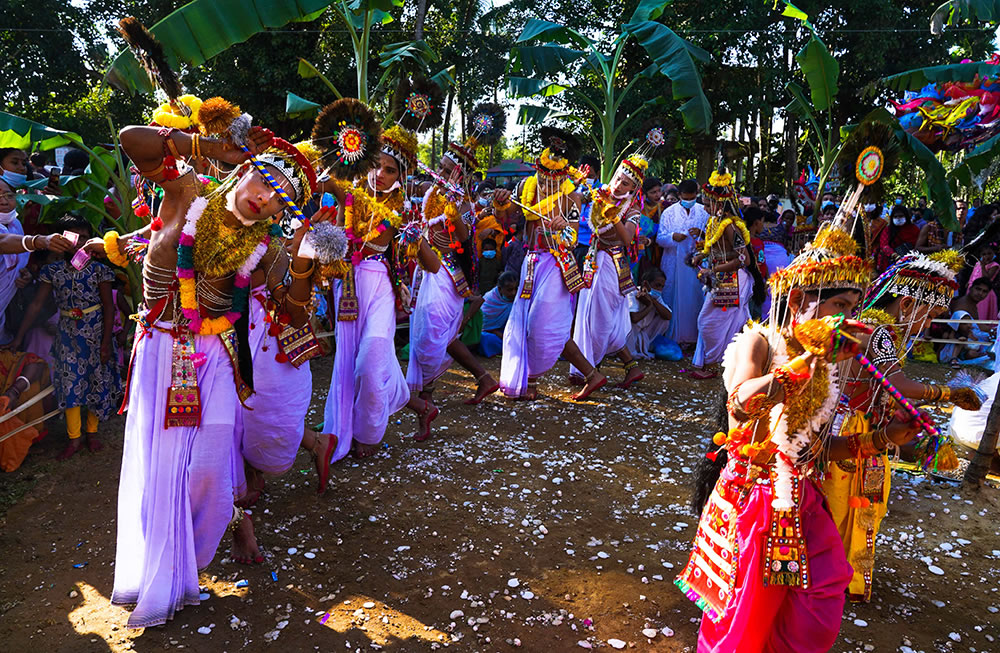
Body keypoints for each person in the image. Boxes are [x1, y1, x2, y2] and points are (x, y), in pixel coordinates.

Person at [84, 109, 317, 628]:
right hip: (162, 354)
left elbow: (296, 311)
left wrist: (304, 264)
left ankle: (206, 546)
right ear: (245, 169)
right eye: (264, 179)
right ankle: (167, 577)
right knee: (162, 472)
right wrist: (207, 147)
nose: (265, 196)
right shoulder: (187, 194)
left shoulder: (269, 248)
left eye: (280, 197)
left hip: (214, 360)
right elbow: (131, 139)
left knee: (209, 470)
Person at [678, 222, 923, 652]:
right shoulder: (759, 340)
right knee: (746, 619)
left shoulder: (829, 367)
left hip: (806, 500)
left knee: (821, 602)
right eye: (840, 305)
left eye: (853, 307)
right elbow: (742, 404)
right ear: (798, 301)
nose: (847, 319)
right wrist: (806, 362)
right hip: (755, 500)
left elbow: (823, 450)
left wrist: (886, 437)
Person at [824, 250, 977, 603]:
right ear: (907, 303)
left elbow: (887, 391)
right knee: (855, 506)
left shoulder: (872, 327)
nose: (929, 324)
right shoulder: (879, 332)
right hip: (857, 431)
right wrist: (949, 392)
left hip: (858, 427)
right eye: (929, 314)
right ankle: (838, 579)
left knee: (855, 505)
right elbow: (901, 387)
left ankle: (837, 576)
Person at [324, 121, 437, 456]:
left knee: (370, 363)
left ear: (400, 176)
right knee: (351, 364)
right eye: (375, 165)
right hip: (345, 284)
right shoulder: (350, 196)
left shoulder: (402, 210)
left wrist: (416, 238)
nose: (381, 174)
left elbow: (429, 265)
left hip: (379, 285)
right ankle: (414, 408)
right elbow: (328, 176)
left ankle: (369, 434)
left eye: (390, 169)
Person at [493, 127, 607, 401]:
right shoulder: (526, 188)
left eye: (552, 180)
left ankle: (530, 378)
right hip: (530, 262)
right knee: (528, 322)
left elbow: (571, 237)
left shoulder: (572, 197)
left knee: (543, 324)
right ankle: (592, 376)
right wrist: (500, 205)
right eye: (543, 179)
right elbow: (508, 219)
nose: (547, 185)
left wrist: (562, 227)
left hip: (557, 266)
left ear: (564, 175)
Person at [405, 120, 501, 441]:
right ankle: (430, 405)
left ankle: (441, 396)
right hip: (425, 268)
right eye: (441, 167)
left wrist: (454, 214)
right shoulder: (432, 191)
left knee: (433, 333)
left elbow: (462, 237)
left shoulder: (463, 201)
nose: (441, 173)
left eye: (448, 170)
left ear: (459, 175)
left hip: (447, 272)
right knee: (428, 335)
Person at [9, 214, 121, 460]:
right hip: (68, 335)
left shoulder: (101, 270)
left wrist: (105, 343)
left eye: (83, 237)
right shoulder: (52, 271)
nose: (79, 242)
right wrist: (19, 337)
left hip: (95, 333)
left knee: (96, 381)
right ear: (61, 240)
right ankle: (74, 438)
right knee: (71, 384)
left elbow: (109, 307)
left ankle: (92, 433)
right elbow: (37, 304)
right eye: (72, 237)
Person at [570, 155, 646, 389]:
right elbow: (573, 199)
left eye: (625, 184)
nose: (618, 185)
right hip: (594, 260)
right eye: (617, 179)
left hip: (613, 264)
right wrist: (575, 182)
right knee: (590, 314)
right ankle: (628, 366)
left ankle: (590, 370)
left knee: (600, 318)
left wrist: (613, 215)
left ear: (634, 189)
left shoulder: (631, 208)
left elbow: (626, 239)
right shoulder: (601, 194)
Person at [689, 177, 763, 380]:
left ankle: (714, 366)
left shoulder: (731, 226)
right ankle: (727, 364)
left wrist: (713, 270)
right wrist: (701, 256)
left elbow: (743, 259)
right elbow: (716, 249)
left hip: (732, 280)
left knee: (709, 322)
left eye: (708, 204)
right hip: (721, 278)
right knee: (723, 323)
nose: (705, 208)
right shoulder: (714, 222)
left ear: (720, 204)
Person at [656, 178, 708, 346]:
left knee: (696, 298)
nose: (688, 201)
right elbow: (660, 238)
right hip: (674, 263)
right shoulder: (669, 213)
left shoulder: (703, 211)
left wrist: (702, 233)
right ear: (679, 195)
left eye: (691, 197)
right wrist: (673, 237)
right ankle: (672, 336)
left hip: (695, 264)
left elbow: (713, 237)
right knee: (672, 297)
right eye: (685, 198)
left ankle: (695, 338)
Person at [939, 277, 995, 365]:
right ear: (970, 288)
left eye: (984, 291)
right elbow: (965, 330)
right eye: (978, 289)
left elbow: (976, 324)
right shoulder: (962, 306)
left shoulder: (972, 303)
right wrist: (990, 330)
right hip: (960, 346)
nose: (980, 293)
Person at [627, 267, 672, 359]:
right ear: (645, 283)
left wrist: (652, 301)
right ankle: (629, 350)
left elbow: (668, 316)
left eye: (662, 287)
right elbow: (634, 318)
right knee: (631, 324)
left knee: (664, 319)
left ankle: (645, 345)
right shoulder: (632, 293)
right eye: (657, 285)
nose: (659, 289)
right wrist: (649, 306)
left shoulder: (656, 297)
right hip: (629, 334)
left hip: (642, 333)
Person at [478, 270, 518, 357]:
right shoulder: (489, 299)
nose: (514, 293)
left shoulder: (518, 299)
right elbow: (483, 326)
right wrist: (499, 334)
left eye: (516, 289)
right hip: (491, 333)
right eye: (510, 290)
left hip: (507, 330)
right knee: (486, 339)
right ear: (500, 289)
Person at [965, 244, 998, 322]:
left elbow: (987, 277)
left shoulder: (994, 265)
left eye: (989, 253)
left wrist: (983, 266)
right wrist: (969, 283)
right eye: (984, 254)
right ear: (980, 255)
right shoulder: (977, 264)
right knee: (971, 308)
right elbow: (973, 275)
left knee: (981, 311)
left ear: (994, 253)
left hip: (984, 292)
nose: (987, 256)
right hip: (973, 289)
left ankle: (981, 327)